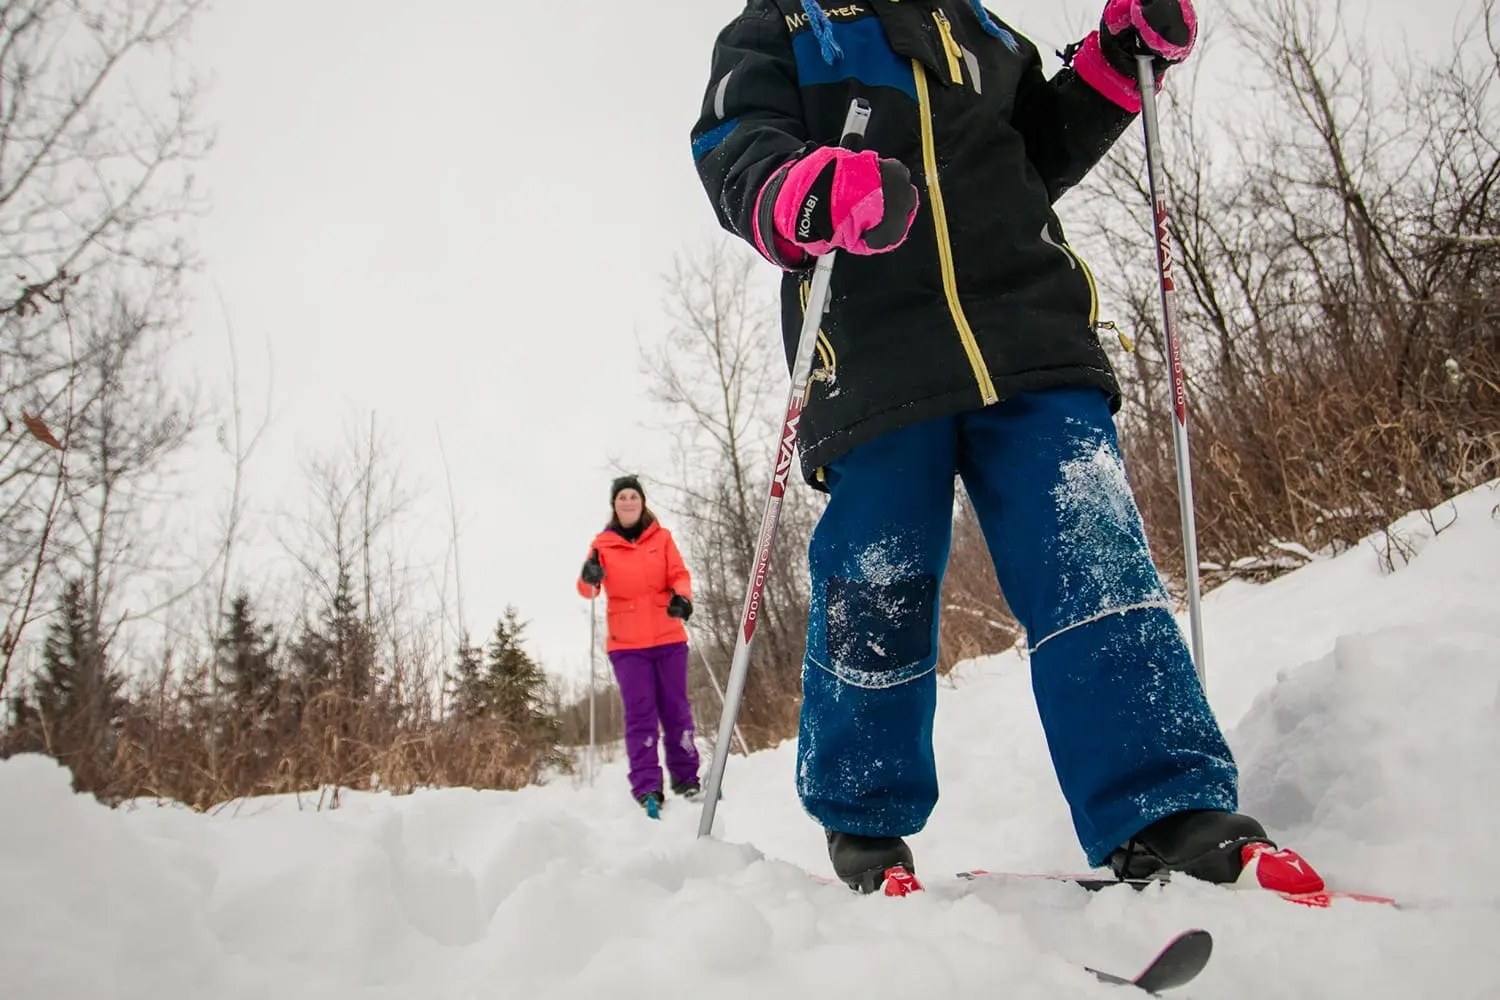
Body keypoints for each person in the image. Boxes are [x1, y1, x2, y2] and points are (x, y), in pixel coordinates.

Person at [689, 0, 1324, 894]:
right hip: (874, 355)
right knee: (881, 578)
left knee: (1088, 545)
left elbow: (1035, 154)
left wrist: (1113, 65)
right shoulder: (781, 27)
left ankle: (1162, 805)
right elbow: (731, 139)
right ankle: (865, 821)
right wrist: (798, 189)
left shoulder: (979, 31)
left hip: (1030, 335)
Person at [576, 475, 702, 815]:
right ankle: (647, 786)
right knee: (641, 713)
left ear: (642, 502)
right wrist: (589, 577)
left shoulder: (662, 538)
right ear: (614, 506)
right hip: (627, 645)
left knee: (677, 709)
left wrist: (682, 597)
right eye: (622, 498)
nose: (628, 502)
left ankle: (687, 778)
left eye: (633, 496)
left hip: (668, 637)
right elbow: (587, 590)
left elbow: (679, 574)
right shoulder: (602, 544)